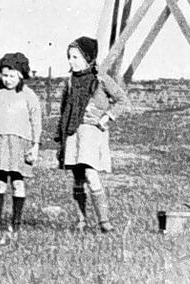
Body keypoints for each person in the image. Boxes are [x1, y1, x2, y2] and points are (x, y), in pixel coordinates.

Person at [55, 36, 127, 233]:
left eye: (76, 57)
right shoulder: (69, 82)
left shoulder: (101, 79)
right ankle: (81, 221)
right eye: (69, 57)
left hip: (91, 133)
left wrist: (107, 117)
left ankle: (104, 222)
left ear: (88, 58)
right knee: (78, 178)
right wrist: (61, 138)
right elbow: (63, 110)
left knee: (90, 174)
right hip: (72, 133)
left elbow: (122, 100)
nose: (71, 61)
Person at [0, 51, 42, 232]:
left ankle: (16, 223)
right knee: (0, 182)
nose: (8, 79)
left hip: (20, 143)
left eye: (12, 76)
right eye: (5, 75)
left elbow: (36, 120)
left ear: (21, 75)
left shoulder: (29, 95)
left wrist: (35, 145)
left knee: (18, 182)